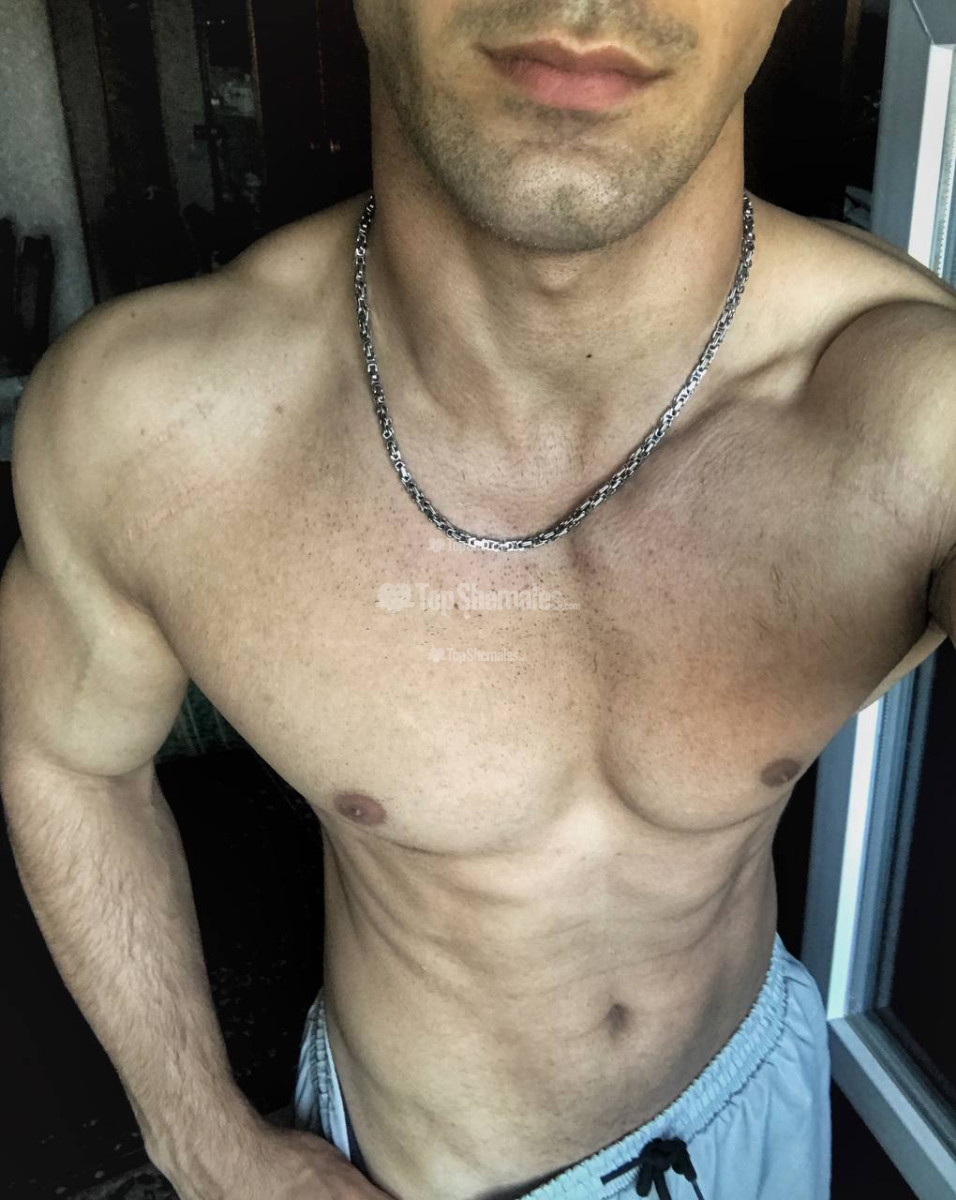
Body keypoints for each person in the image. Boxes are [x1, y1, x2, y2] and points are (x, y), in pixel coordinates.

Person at [3, 1, 956, 1197]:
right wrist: (200, 1139)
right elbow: (68, 759)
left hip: (750, 1114)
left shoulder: (914, 419)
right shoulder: (150, 428)